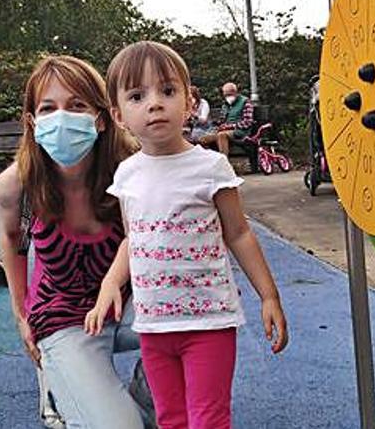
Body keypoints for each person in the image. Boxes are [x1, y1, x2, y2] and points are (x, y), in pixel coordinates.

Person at [86, 41, 289, 429]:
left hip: (208, 321)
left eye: (167, 91)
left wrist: (268, 295)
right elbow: (133, 238)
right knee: (171, 419)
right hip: (154, 325)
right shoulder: (127, 175)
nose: (155, 103)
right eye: (137, 95)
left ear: (190, 102)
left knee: (208, 420)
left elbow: (240, 234)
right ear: (118, 114)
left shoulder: (211, 167)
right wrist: (111, 282)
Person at [0, 55, 152, 428]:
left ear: (100, 118)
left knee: (195, 318)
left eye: (77, 105)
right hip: (63, 312)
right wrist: (21, 314)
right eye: (48, 108)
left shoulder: (132, 169)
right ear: (32, 122)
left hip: (129, 303)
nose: (62, 117)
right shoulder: (18, 186)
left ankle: (145, 397)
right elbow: (13, 239)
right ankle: (61, 384)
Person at [198, 83, 255, 156]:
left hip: (240, 131)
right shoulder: (225, 105)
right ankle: (210, 161)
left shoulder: (245, 102)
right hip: (225, 130)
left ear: (235, 92)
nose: (227, 97)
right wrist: (217, 125)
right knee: (203, 139)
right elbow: (221, 120)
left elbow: (248, 122)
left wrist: (231, 126)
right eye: (225, 95)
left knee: (221, 135)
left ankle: (224, 162)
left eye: (229, 94)